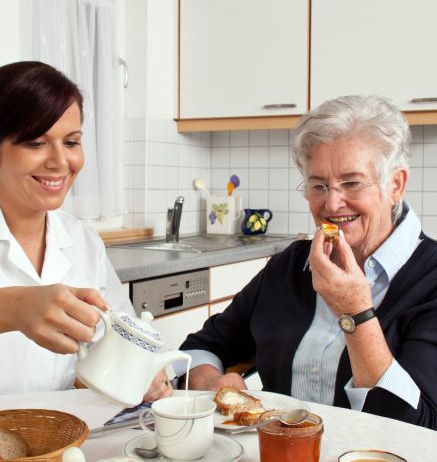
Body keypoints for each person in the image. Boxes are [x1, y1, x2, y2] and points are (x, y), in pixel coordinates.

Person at [175, 95, 437, 429]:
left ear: (395, 185)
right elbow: (200, 348)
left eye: (352, 183)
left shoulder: (430, 278)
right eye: (318, 185)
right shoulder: (289, 266)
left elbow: (422, 428)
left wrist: (354, 313)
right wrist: (211, 385)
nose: (331, 202)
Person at [0, 61, 172, 403]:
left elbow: (119, 338)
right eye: (36, 143)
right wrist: (14, 307)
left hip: (63, 443)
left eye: (71, 142)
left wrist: (144, 372)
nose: (60, 161)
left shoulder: (82, 241)